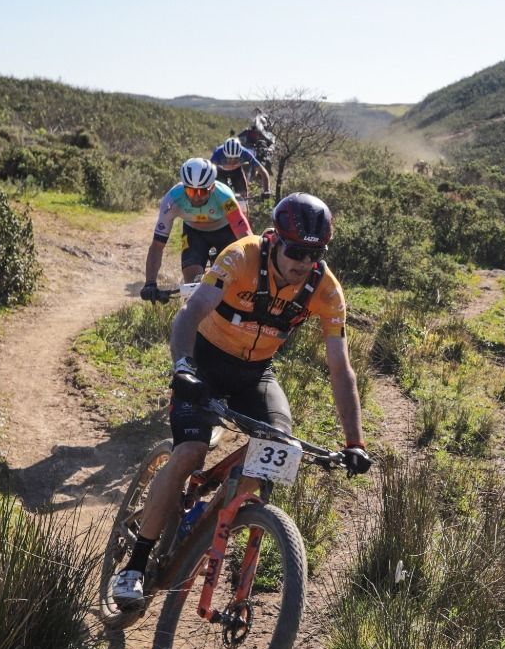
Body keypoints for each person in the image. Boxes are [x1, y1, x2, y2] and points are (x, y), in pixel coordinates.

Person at [111, 192, 371, 608]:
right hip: (205, 362)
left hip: (256, 373)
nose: (303, 262)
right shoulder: (241, 256)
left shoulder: (326, 290)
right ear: (276, 240)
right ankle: (135, 565)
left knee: (278, 447)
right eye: (295, 251)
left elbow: (341, 369)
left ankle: (205, 523)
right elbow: (190, 314)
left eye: (314, 254)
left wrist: (355, 442)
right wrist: (183, 367)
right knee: (190, 451)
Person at [142, 157, 253, 296]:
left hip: (225, 231)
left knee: (230, 280)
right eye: (191, 191)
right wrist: (150, 283)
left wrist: (254, 267)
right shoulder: (171, 200)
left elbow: (244, 235)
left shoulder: (225, 197)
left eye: (202, 192)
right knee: (192, 283)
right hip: (194, 233)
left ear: (212, 187)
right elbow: (157, 245)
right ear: (184, 187)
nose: (196, 197)